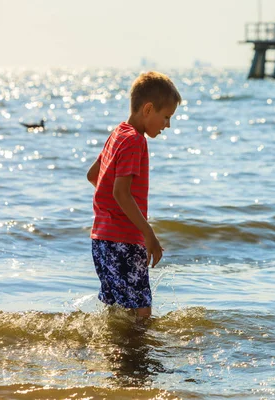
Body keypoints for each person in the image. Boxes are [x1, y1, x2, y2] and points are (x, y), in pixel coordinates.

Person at [86, 71, 182, 321]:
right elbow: (121, 192)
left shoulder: (118, 133)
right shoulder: (135, 141)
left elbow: (93, 175)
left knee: (116, 308)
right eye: (166, 117)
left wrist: (110, 210)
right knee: (141, 309)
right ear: (148, 109)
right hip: (124, 240)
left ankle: (116, 351)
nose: (167, 125)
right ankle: (135, 356)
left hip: (101, 239)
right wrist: (148, 234)